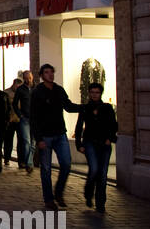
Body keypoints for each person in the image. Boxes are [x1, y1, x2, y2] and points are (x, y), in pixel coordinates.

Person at [30, 63, 82, 209]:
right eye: (47, 72)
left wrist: (84, 107)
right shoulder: (37, 92)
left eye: (52, 72)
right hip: (45, 136)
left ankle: (58, 192)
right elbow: (34, 117)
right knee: (46, 169)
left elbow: (68, 106)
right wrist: (38, 138)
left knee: (66, 164)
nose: (50, 75)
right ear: (41, 75)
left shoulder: (58, 90)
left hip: (60, 133)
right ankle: (49, 199)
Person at [75, 83, 118, 214]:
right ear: (89, 93)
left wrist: (110, 138)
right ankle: (88, 193)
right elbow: (79, 126)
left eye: (97, 92)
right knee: (94, 169)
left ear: (100, 93)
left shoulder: (107, 108)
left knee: (103, 174)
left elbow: (113, 124)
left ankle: (100, 203)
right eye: (92, 92)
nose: (94, 94)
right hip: (90, 142)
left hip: (104, 144)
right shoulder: (85, 108)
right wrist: (79, 143)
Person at [12, 70, 34, 173]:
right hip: (24, 118)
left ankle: (29, 162)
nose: (27, 80)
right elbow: (15, 104)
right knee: (26, 141)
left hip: (35, 119)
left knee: (33, 142)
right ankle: (29, 163)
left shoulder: (36, 89)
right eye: (25, 78)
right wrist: (20, 115)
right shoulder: (20, 89)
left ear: (32, 77)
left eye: (29, 78)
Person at [3, 77, 24, 166]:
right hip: (10, 120)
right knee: (8, 140)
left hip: (20, 120)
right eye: (17, 87)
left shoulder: (23, 93)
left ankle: (21, 161)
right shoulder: (6, 93)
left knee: (21, 141)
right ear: (14, 84)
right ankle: (7, 158)